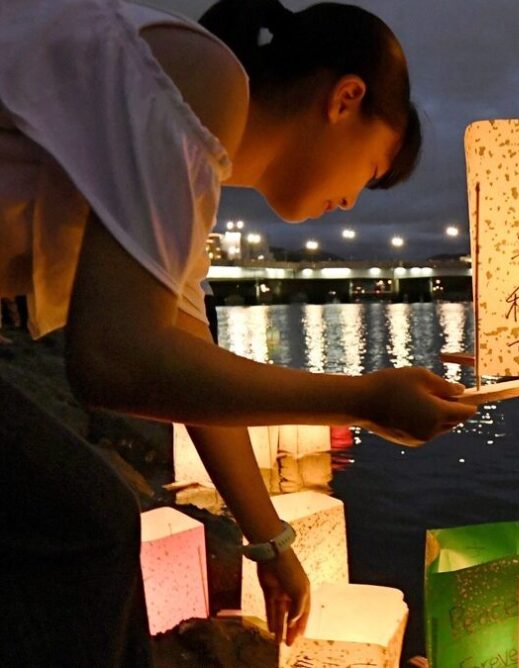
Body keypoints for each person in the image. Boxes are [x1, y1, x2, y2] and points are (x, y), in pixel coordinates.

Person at [0, 1, 476, 665]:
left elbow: (184, 355)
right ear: (345, 99)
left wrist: (269, 540)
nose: (351, 202)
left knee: (79, 522)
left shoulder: (184, 159)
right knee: (86, 526)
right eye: (370, 172)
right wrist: (363, 400)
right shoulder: (203, 74)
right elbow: (113, 358)